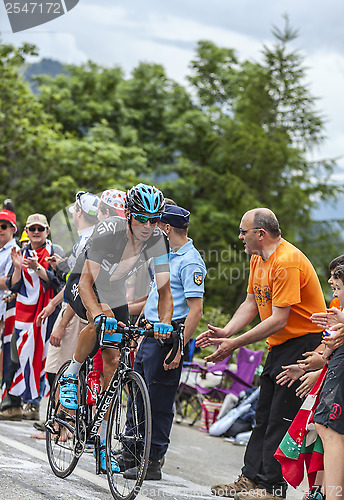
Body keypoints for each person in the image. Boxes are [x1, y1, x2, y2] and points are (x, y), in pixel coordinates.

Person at [196, 208, 326, 500]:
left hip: (302, 344)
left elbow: (279, 318)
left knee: (280, 417)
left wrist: (237, 343)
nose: (240, 237)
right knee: (262, 414)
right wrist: (227, 332)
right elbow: (251, 302)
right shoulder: (258, 259)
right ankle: (251, 478)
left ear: (260, 234)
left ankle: (272, 488)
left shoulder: (287, 261)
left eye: (243, 231)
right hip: (280, 345)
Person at [63, 183, 173, 473]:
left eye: (154, 219)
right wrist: (98, 314)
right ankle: (71, 376)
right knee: (99, 322)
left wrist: (164, 323)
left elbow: (164, 292)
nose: (148, 226)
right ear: (129, 216)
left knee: (113, 360)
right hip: (82, 282)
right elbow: (87, 284)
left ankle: (99, 440)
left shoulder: (157, 239)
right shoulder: (108, 231)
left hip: (112, 289)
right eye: (142, 218)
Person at [122, 204, 206, 481]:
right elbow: (153, 300)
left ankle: (152, 460)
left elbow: (196, 309)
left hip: (169, 337)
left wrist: (180, 346)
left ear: (167, 228)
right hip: (149, 333)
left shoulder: (190, 260)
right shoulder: (164, 256)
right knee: (137, 396)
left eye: (158, 224)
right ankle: (131, 452)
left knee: (157, 401)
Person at [0, 214, 64, 421]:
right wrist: (18, 267)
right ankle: (17, 403)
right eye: (32, 229)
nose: (36, 232)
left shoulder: (55, 251)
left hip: (48, 313)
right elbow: (14, 284)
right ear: (26, 231)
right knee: (18, 357)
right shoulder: (20, 252)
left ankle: (35, 405)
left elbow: (57, 283)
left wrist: (37, 267)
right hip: (24, 313)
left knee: (42, 358)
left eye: (40, 229)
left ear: (47, 231)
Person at [0, 210, 18, 404]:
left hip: (6, 312)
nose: (0, 230)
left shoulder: (15, 250)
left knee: (7, 357)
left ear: (13, 229)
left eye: (4, 226)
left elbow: (10, 281)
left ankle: (10, 400)